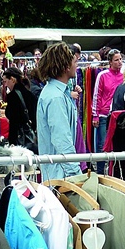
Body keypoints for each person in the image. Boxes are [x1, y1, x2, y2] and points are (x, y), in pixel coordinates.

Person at [36, 42, 82, 181]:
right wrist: (76, 176)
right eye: (74, 61)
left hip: (58, 174)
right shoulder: (55, 97)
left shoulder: (56, 93)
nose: (77, 65)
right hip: (60, 178)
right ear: (65, 66)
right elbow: (62, 141)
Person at [92, 49, 124, 172]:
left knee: (117, 144)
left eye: (120, 59)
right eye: (116, 60)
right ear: (110, 62)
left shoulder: (124, 76)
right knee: (102, 145)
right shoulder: (102, 75)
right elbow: (97, 95)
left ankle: (114, 172)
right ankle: (99, 172)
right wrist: (95, 115)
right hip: (104, 115)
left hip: (118, 115)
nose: (119, 62)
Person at [2, 67, 38, 149]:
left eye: (5, 81)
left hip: (21, 138)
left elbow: (14, 122)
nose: (5, 85)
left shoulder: (13, 96)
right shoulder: (29, 93)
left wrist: (12, 142)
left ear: (12, 79)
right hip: (31, 135)